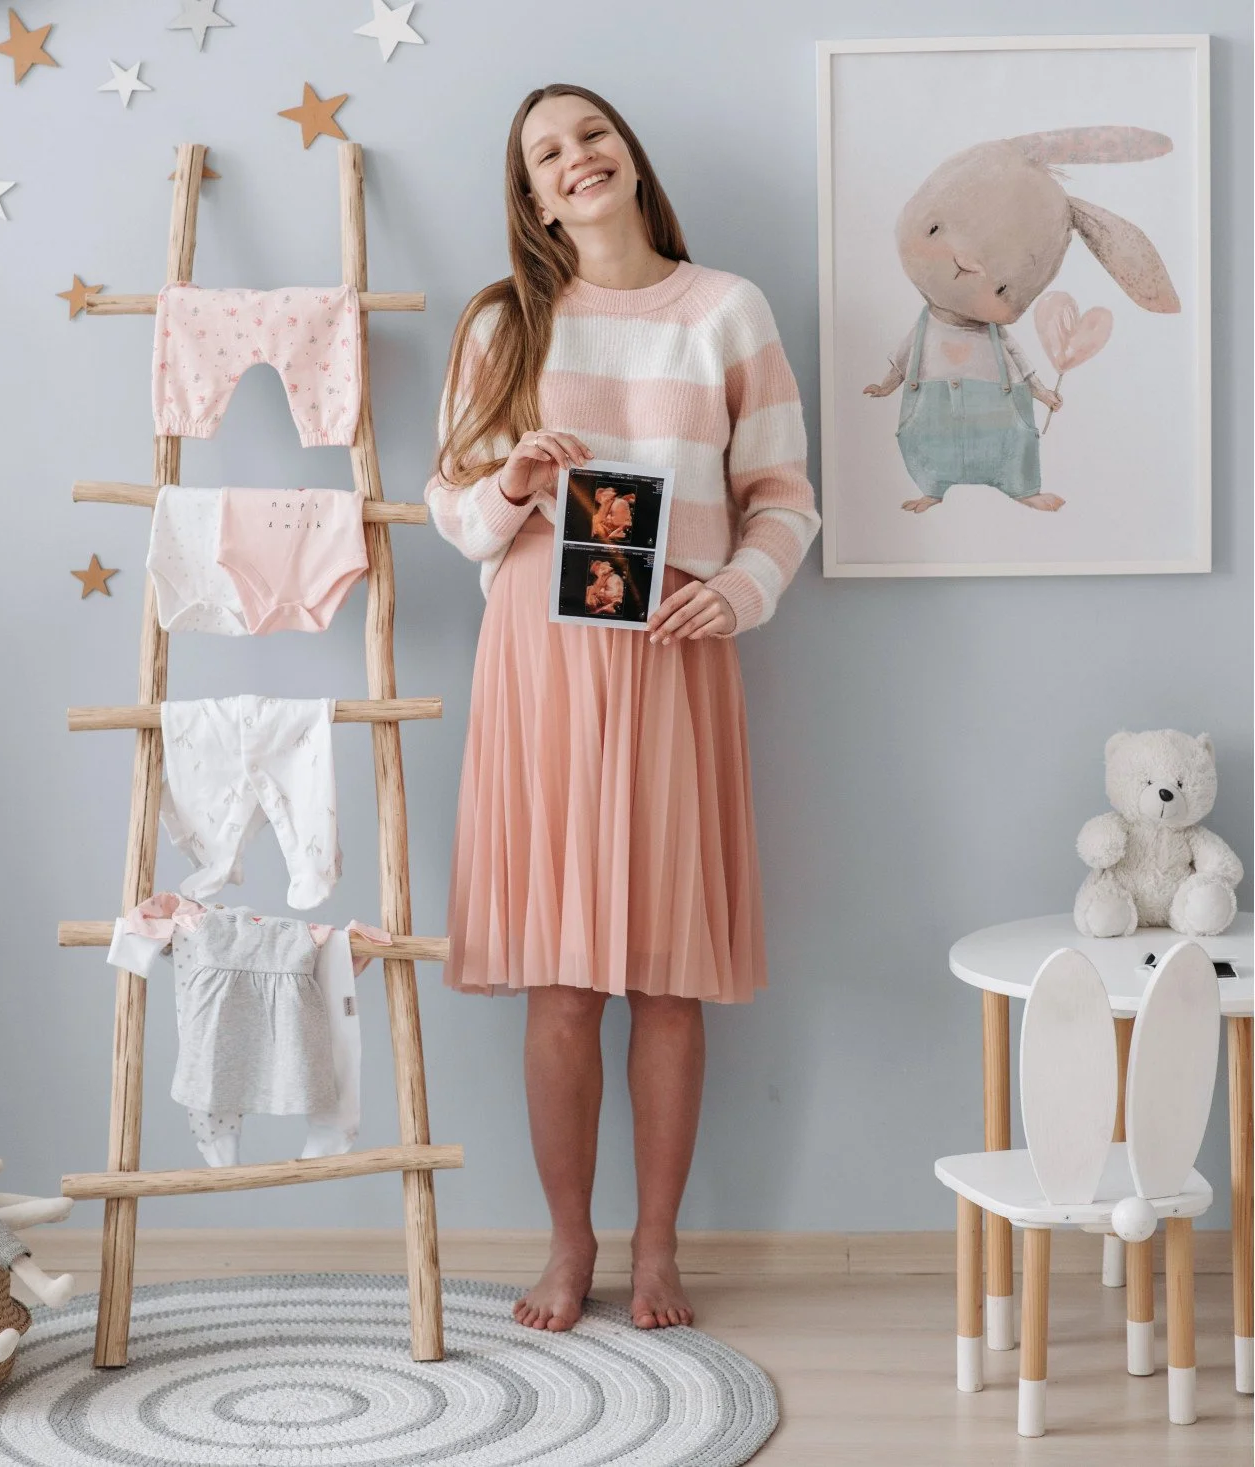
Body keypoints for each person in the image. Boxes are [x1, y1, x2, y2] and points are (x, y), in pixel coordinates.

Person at [423, 83, 821, 1334]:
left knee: (664, 983)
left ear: (629, 159)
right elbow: (451, 512)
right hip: (541, 655)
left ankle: (657, 1249)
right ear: (532, 198)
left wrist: (741, 593)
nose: (575, 158)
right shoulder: (502, 324)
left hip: (671, 651)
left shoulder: (724, 310)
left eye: (590, 134)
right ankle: (566, 1245)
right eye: (547, 152)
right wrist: (512, 483)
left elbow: (784, 496)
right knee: (561, 983)